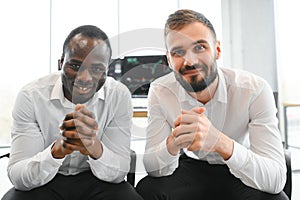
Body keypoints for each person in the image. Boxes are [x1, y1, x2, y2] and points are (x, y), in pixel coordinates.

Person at [136, 9, 288, 200]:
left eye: (200, 47)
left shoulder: (254, 89)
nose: (190, 61)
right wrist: (172, 144)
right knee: (147, 190)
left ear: (217, 50)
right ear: (169, 59)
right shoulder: (160, 91)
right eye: (178, 52)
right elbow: (152, 168)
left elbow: (275, 180)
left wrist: (219, 142)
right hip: (191, 167)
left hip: (239, 165)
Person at [3, 25, 142, 200]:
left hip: (97, 179)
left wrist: (94, 147)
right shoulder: (31, 96)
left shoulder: (119, 96)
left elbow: (119, 172)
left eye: (97, 69)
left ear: (107, 69)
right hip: (46, 180)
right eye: (75, 65)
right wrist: (57, 151)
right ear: (61, 63)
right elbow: (18, 176)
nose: (84, 78)